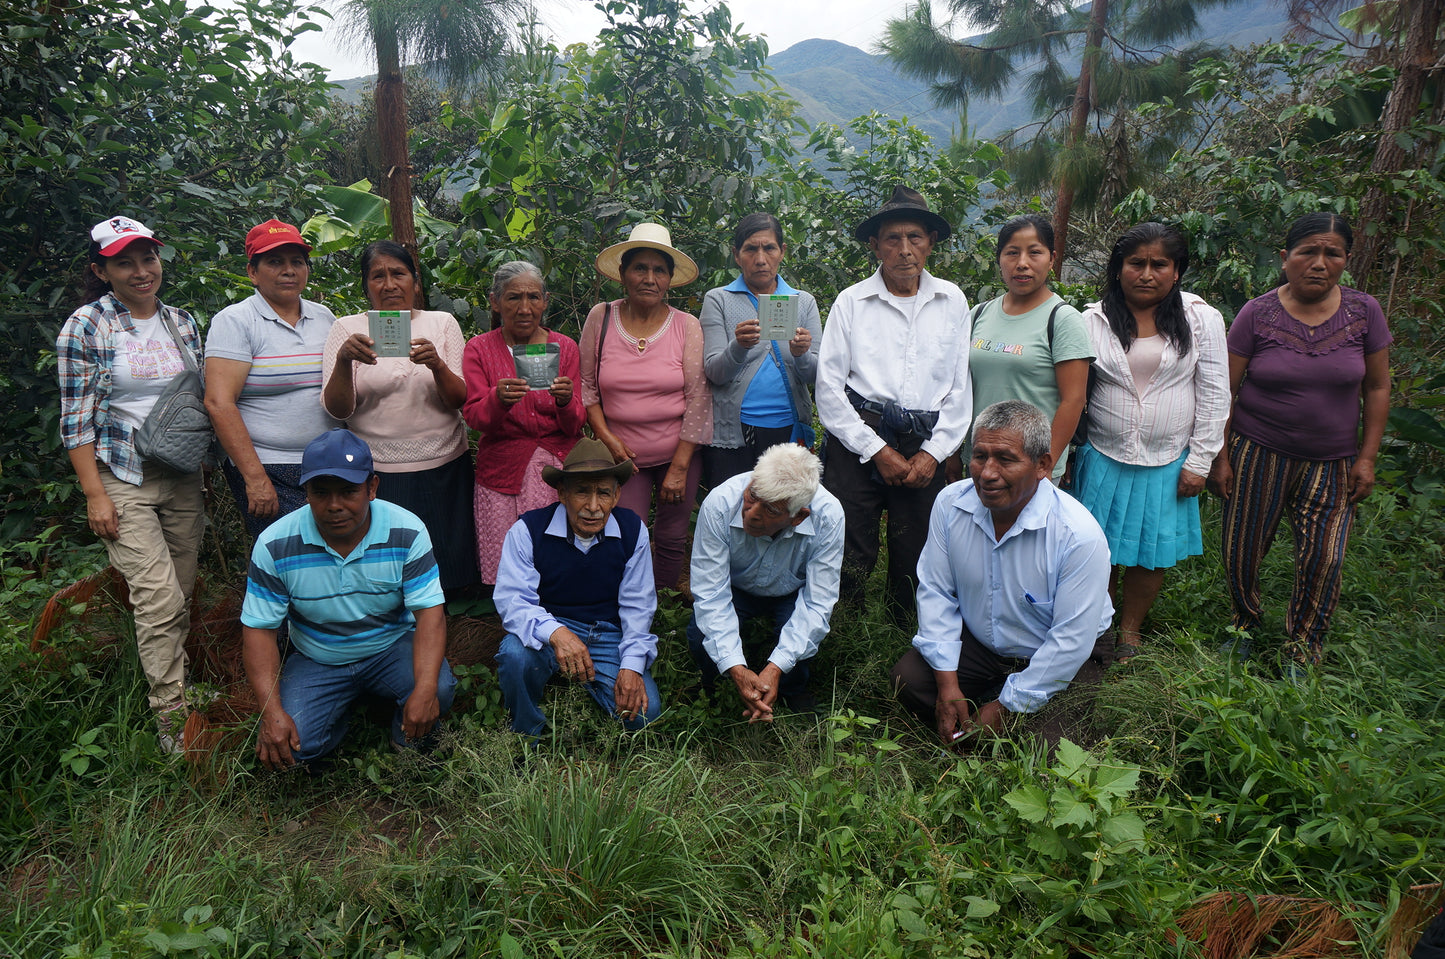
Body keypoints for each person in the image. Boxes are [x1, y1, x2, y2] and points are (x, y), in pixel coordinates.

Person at [1206, 212, 1391, 677]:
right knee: (1242, 548)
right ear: (1286, 258)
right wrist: (1221, 457)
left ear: (1346, 260)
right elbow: (1224, 389)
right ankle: (1243, 624)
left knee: (1325, 557)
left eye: (1332, 253)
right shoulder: (1257, 313)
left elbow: (1377, 387)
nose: (1319, 263)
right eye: (1308, 251)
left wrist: (1367, 458)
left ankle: (1304, 646)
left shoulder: (1364, 312)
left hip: (1333, 461)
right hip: (1258, 450)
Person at [58, 215, 207, 753]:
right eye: (125, 261)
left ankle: (179, 686)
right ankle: (172, 718)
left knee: (180, 593)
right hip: (122, 476)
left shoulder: (182, 323)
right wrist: (95, 494)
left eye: (148, 258)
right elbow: (75, 419)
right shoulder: (87, 326)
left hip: (183, 475)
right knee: (158, 598)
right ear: (102, 270)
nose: (141, 271)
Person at [891, 400, 1114, 747]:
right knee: (908, 679)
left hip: (1061, 650)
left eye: (1006, 459)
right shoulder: (951, 504)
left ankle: (1008, 703)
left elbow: (1069, 642)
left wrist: (1007, 708)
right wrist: (948, 684)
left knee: (1050, 749)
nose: (988, 473)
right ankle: (983, 698)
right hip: (982, 645)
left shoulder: (1077, 535)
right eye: (980, 456)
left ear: (1043, 465)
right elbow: (936, 591)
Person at [240, 429, 457, 769]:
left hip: (390, 646)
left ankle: (406, 738)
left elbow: (430, 613)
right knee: (294, 750)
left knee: (439, 689)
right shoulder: (275, 544)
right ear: (305, 492)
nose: (335, 505)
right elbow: (259, 630)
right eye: (321, 492)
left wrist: (425, 688)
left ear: (372, 488)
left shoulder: (407, 530)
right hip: (317, 656)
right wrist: (272, 713)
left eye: (348, 491)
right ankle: (342, 714)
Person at [1072, 223, 1230, 662]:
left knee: (1151, 551)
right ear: (1118, 269)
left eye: (1159, 264)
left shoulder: (1201, 319)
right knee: (1096, 547)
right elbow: (1075, 391)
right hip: (1102, 454)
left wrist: (1201, 460)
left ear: (1177, 271)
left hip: (1169, 459)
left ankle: (1130, 630)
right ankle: (1099, 626)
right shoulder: (1091, 319)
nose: (1147, 273)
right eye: (1135, 263)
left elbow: (1216, 392)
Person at [815, 185, 973, 623]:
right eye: (892, 239)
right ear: (874, 245)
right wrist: (876, 449)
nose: (905, 250)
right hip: (860, 434)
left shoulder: (953, 300)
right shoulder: (852, 302)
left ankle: (904, 632)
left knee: (917, 546)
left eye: (915, 238)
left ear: (931, 242)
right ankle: (842, 629)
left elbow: (960, 391)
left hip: (925, 439)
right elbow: (829, 388)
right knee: (849, 540)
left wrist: (932, 455)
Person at [321, 240, 477, 596]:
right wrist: (345, 360)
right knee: (391, 568)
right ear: (366, 286)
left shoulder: (442, 323)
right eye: (378, 276)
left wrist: (437, 365)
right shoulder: (347, 330)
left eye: (399, 274)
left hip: (445, 465)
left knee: (449, 566)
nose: (389, 284)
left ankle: (453, 632)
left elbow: (460, 400)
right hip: (379, 472)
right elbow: (338, 409)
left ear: (415, 281)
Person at [492, 438, 662, 735]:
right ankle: (525, 733)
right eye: (582, 491)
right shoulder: (528, 531)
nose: (593, 507)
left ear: (617, 494)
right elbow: (513, 601)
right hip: (551, 628)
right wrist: (557, 633)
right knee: (515, 655)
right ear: (562, 493)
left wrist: (632, 666)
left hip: (609, 634)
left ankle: (583, 682)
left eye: (603, 493)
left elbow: (639, 606)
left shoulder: (633, 531)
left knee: (643, 716)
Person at [580, 223, 712, 592]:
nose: (649, 278)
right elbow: (586, 386)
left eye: (659, 270)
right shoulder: (600, 317)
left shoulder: (687, 325)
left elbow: (699, 398)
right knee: (625, 532)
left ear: (670, 279)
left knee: (671, 536)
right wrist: (607, 438)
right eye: (640, 268)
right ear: (623, 274)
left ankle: (664, 602)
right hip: (622, 457)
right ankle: (629, 605)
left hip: (678, 454)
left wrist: (680, 467)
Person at [687, 443, 844, 721]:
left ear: (798, 517)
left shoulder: (828, 516)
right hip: (735, 587)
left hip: (791, 591)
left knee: (799, 638)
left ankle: (791, 687)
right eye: (753, 495)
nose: (752, 513)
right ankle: (715, 684)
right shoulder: (720, 503)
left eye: (770, 509)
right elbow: (711, 594)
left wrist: (776, 667)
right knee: (700, 635)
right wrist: (735, 666)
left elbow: (817, 602)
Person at [204, 219, 339, 537]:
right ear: (252, 272)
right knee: (290, 552)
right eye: (275, 262)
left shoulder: (324, 317)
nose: (289, 270)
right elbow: (219, 402)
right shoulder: (236, 322)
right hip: (269, 466)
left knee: (334, 551)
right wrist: (254, 477)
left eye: (297, 261)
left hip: (327, 462)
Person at [462, 261, 583, 585]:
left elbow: (575, 425)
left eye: (533, 297)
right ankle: (514, 624)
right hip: (502, 470)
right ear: (495, 302)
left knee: (557, 558)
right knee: (509, 563)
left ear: (545, 301)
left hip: (556, 468)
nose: (525, 308)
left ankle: (560, 617)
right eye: (514, 298)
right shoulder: (479, 348)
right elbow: (475, 417)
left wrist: (565, 400)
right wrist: (496, 399)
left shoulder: (565, 347)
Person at [966, 214, 1093, 479]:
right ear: (999, 258)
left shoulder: (1062, 319)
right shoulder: (978, 314)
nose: (1022, 263)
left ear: (1051, 259)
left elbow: (1073, 400)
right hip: (979, 463)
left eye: (1034, 252)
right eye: (1012, 253)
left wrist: (1047, 463)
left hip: (1030, 469)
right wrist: (959, 454)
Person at [699, 213, 821, 487]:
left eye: (769, 248)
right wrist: (738, 347)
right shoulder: (718, 300)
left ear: (782, 252)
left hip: (789, 430)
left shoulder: (803, 302)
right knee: (733, 511)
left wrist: (801, 354)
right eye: (751, 249)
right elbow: (714, 372)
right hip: (733, 434)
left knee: (786, 513)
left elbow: (816, 374)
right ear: (736, 254)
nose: (761, 258)